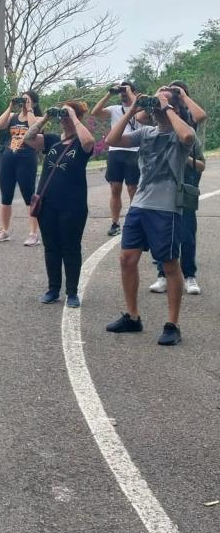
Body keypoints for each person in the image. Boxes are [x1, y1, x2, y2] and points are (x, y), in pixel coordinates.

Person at [104, 86, 196, 346]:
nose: (156, 106)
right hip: (139, 206)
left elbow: (189, 136)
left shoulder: (179, 133)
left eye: (162, 101)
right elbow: (111, 140)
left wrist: (167, 106)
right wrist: (134, 108)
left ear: (174, 108)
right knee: (127, 259)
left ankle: (172, 324)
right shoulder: (144, 133)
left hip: (166, 208)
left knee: (169, 264)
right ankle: (133, 317)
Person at [23, 101, 96, 308]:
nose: (63, 118)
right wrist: (45, 117)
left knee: (71, 247)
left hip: (73, 205)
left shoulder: (81, 143)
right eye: (62, 115)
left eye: (67, 115)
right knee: (51, 248)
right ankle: (53, 289)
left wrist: (73, 116)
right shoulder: (53, 140)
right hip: (47, 204)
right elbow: (28, 139)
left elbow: (90, 142)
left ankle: (72, 292)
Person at [148, 80, 207, 296]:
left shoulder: (187, 121)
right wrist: (158, 97)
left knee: (186, 231)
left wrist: (182, 96)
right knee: (162, 231)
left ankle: (189, 275)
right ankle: (162, 274)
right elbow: (141, 115)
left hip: (186, 181)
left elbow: (201, 117)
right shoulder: (156, 124)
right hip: (162, 182)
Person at [90, 82, 141, 237]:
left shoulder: (140, 109)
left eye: (126, 91)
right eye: (121, 91)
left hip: (134, 150)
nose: (123, 93)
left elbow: (142, 112)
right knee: (115, 188)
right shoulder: (114, 110)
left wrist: (131, 94)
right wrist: (109, 94)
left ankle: (135, 222)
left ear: (134, 92)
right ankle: (115, 222)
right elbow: (95, 112)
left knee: (133, 189)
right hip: (116, 151)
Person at [0, 91, 41, 245]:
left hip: (27, 158)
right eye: (22, 99)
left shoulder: (38, 118)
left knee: (29, 196)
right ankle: (5, 231)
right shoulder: (13, 116)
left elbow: (35, 128)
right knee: (6, 196)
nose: (24, 102)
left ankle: (33, 233)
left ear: (34, 102)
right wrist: (10, 106)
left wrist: (30, 109)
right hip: (9, 157)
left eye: (27, 100)